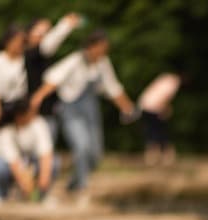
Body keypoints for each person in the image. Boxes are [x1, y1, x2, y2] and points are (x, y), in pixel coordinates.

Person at [31, 29, 136, 197]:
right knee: (81, 146)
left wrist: (126, 106)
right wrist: (38, 97)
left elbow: (112, 87)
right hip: (70, 108)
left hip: (91, 109)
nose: (104, 51)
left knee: (95, 153)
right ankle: (81, 186)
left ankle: (75, 181)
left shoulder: (103, 63)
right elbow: (53, 79)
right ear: (92, 46)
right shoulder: (75, 60)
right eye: (101, 47)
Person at [0, 99, 57, 206]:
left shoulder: (38, 123)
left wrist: (43, 182)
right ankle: (1, 193)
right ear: (20, 115)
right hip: (7, 165)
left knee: (54, 163)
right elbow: (15, 164)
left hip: (28, 163)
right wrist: (29, 188)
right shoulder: (5, 131)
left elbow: (46, 154)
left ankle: (43, 195)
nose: (33, 114)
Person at [25, 12, 82, 137]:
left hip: (48, 112)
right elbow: (47, 45)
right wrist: (66, 24)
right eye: (41, 32)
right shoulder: (28, 54)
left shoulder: (45, 55)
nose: (45, 37)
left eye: (47, 33)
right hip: (28, 114)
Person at [138, 73, 181, 166]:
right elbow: (165, 97)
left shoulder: (164, 77)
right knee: (160, 131)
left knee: (151, 131)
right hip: (153, 107)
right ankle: (164, 156)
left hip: (144, 105)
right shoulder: (174, 81)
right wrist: (165, 109)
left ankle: (153, 156)